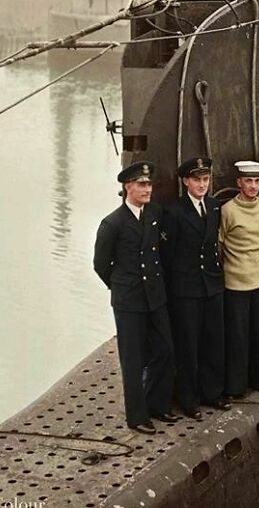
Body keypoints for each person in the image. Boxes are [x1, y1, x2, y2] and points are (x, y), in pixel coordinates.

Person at [93, 162, 177, 433]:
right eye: (141, 184)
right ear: (128, 187)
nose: (147, 189)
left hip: (155, 296)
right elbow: (101, 265)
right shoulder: (113, 223)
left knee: (164, 350)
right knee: (133, 359)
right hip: (129, 300)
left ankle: (157, 405)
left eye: (149, 184)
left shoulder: (153, 213)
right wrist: (122, 287)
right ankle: (137, 417)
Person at [159, 157, 229, 421]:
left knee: (213, 341)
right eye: (197, 180)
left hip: (211, 285)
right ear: (186, 181)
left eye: (205, 179)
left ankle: (212, 392)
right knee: (188, 345)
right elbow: (168, 256)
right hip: (186, 289)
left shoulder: (213, 207)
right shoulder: (174, 212)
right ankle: (188, 399)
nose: (202, 185)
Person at [220, 161, 259, 396]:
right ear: (239, 182)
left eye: (257, 181)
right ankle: (236, 386)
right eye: (248, 181)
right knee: (238, 335)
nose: (253, 186)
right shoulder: (228, 210)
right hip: (236, 282)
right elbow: (220, 243)